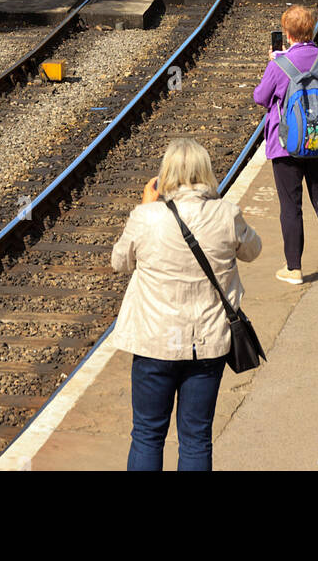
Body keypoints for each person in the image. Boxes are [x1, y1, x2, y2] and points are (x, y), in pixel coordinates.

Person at [110, 136, 261, 471]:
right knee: (196, 437)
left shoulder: (147, 217)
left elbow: (119, 261)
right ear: (206, 172)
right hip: (206, 346)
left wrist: (146, 205)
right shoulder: (226, 213)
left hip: (154, 344)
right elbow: (253, 250)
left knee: (148, 434)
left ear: (165, 175)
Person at [253, 4, 318, 285]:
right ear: (310, 30)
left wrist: (274, 62)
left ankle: (294, 268)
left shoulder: (278, 64)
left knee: (291, 206)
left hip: (286, 146)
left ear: (287, 34)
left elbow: (260, 97)